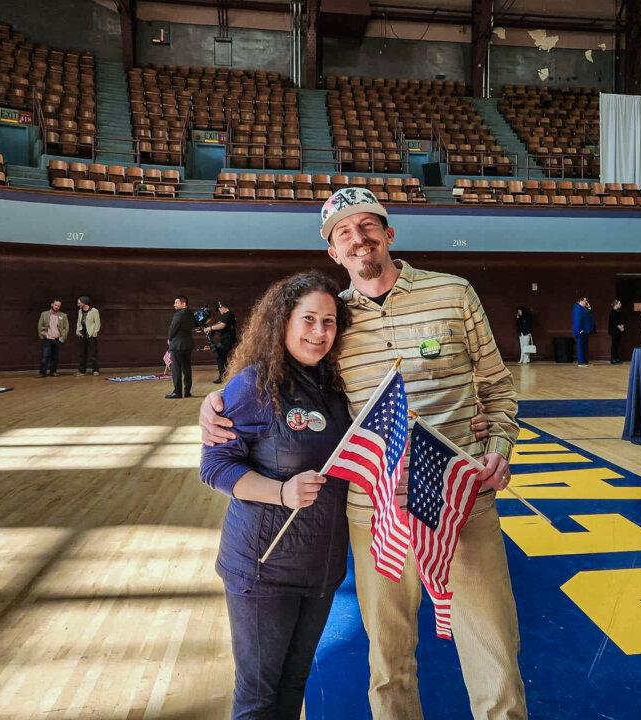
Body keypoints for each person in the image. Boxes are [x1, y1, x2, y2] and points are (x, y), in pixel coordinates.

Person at [201, 188, 526, 720]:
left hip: (461, 502)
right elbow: (274, 382)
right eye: (343, 233)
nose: (359, 239)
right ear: (333, 252)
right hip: (373, 514)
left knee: (494, 656)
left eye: (368, 226)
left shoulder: (454, 293)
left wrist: (498, 447)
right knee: (388, 663)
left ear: (389, 233)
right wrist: (214, 406)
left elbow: (497, 387)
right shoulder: (333, 319)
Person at [200, 271, 353, 720]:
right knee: (258, 699)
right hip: (263, 568)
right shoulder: (253, 384)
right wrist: (281, 492)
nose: (319, 332)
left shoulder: (336, 388)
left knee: (293, 685)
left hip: (321, 566)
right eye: (308, 319)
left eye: (329, 322)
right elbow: (215, 466)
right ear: (283, 321)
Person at [167, 294, 195, 398]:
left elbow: (173, 328)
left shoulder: (179, 314)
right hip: (188, 344)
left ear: (183, 304)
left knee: (176, 369)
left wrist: (169, 338)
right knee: (187, 368)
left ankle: (177, 392)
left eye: (176, 302)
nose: (174, 304)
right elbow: (195, 325)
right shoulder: (191, 313)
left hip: (177, 345)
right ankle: (187, 392)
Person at [206, 299, 238, 383]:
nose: (219, 311)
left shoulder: (227, 314)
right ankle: (227, 376)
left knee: (220, 357)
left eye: (219, 309)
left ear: (222, 307)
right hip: (230, 340)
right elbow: (220, 324)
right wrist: (213, 327)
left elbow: (222, 325)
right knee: (226, 358)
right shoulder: (230, 315)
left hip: (227, 341)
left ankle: (222, 377)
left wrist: (210, 328)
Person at [37, 299, 69, 377]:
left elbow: (66, 327)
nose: (57, 307)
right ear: (52, 304)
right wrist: (43, 335)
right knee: (45, 356)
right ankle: (42, 372)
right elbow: (40, 325)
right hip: (47, 338)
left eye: (58, 306)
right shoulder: (44, 314)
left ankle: (53, 371)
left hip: (57, 339)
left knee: (55, 357)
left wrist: (63, 337)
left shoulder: (63, 315)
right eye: (55, 305)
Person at [75, 296, 102, 376]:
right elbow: (78, 322)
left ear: (84, 303)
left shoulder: (94, 311)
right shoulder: (80, 311)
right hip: (82, 334)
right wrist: (78, 331)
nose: (78, 304)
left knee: (93, 353)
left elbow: (97, 323)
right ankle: (82, 371)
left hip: (91, 334)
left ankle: (95, 370)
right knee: (82, 353)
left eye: (79, 303)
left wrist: (94, 333)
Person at [572, 296, 595, 367]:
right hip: (581, 331)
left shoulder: (583, 308)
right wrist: (580, 330)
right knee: (581, 347)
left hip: (585, 331)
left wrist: (589, 308)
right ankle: (581, 363)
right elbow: (577, 320)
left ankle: (585, 361)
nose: (586, 302)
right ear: (580, 301)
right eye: (585, 301)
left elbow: (589, 316)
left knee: (585, 347)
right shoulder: (577, 308)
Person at [608, 299, 625, 364]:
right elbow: (614, 322)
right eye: (619, 304)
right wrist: (620, 327)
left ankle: (617, 358)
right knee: (614, 345)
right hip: (614, 331)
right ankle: (613, 359)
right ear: (615, 304)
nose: (620, 305)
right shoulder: (612, 312)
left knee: (617, 345)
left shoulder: (619, 312)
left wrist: (622, 326)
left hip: (618, 331)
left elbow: (620, 320)